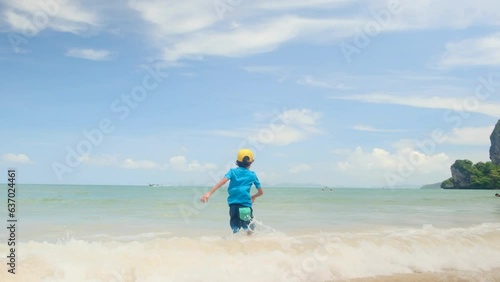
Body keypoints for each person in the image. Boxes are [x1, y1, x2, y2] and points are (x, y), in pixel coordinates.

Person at [200, 149, 264, 234]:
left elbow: (222, 182)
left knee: (235, 230)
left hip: (233, 207)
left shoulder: (232, 172)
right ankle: (249, 245)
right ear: (251, 162)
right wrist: (253, 196)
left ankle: (234, 245)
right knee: (249, 230)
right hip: (245, 206)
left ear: (237, 161)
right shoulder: (252, 175)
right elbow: (260, 192)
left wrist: (208, 193)